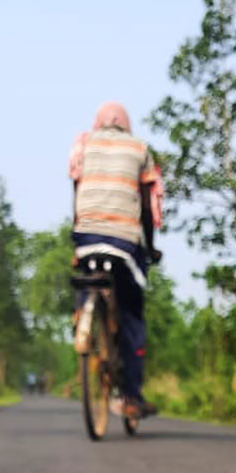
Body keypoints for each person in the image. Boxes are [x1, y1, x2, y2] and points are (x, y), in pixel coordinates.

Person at [69, 102, 163, 420]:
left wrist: (77, 239)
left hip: (86, 235)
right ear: (126, 124)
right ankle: (132, 397)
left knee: (87, 272)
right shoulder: (139, 148)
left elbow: (77, 192)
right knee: (132, 315)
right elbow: (148, 206)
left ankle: (82, 310)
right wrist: (150, 247)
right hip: (124, 241)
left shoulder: (83, 144)